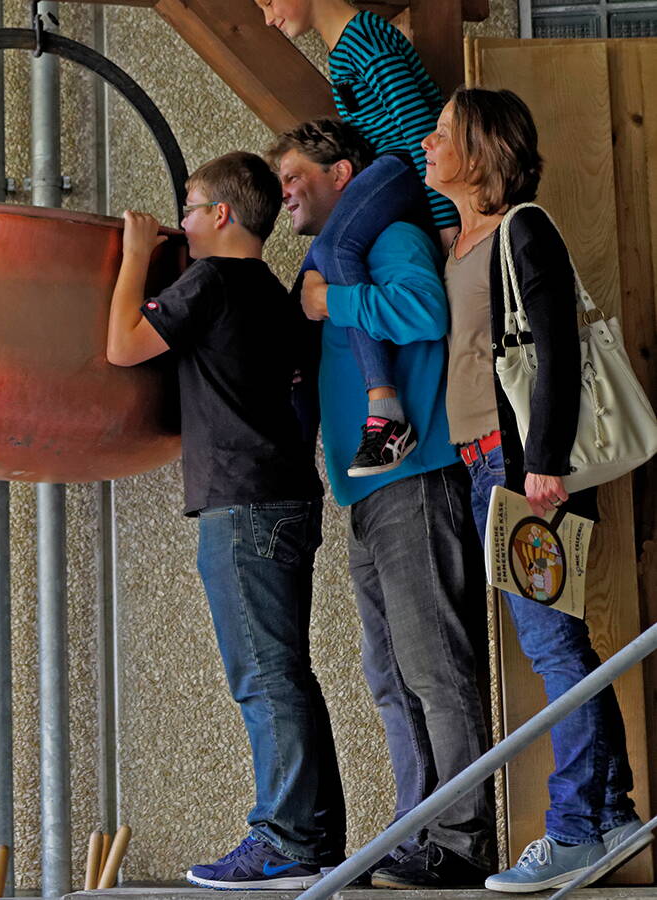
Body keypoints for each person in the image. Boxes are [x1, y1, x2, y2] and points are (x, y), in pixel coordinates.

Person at [423, 87, 648, 891]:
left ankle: (576, 827)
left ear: (481, 152)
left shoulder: (525, 228)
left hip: (525, 470)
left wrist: (541, 463)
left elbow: (556, 352)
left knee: (552, 643)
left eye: (444, 132)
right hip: (486, 464)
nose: (428, 140)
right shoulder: (459, 240)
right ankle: (612, 810)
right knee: (555, 641)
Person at [270, 118, 496, 888]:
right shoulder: (338, 259)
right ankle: (417, 830)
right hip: (368, 495)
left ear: (343, 174)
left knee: (433, 667)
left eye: (297, 174)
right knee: (390, 672)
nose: (286, 192)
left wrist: (336, 304)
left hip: (416, 481)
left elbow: (427, 313)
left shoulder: (388, 237)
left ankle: (461, 841)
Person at [107, 152, 337, 889]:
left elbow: (122, 347)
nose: (183, 220)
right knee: (286, 671)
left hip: (242, 505)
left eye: (190, 206)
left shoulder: (207, 281)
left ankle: (286, 838)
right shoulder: (274, 293)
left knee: (264, 676)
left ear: (223, 216)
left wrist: (138, 256)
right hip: (287, 495)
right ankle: (313, 835)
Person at [249, 0, 455, 477]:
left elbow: (417, 129)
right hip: (393, 174)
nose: (270, 19)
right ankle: (298, 397)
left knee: (336, 245)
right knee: (318, 265)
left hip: (406, 170)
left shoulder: (364, 38)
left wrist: (445, 224)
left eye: (270, 2)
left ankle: (385, 409)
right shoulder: (344, 56)